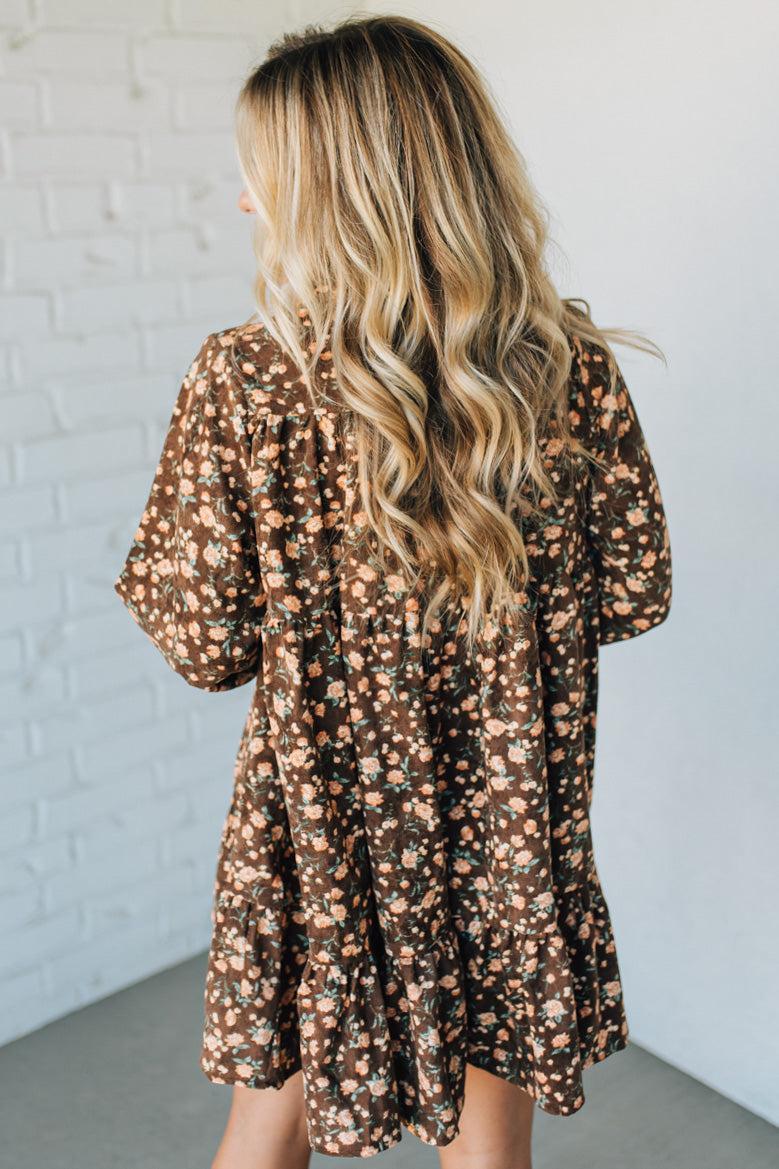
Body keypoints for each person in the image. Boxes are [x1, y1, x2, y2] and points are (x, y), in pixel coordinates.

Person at [113, 14, 672, 1169]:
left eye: (260, 175)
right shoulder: (566, 365)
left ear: (332, 192)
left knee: (264, 1128)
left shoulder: (246, 377)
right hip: (507, 825)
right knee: (489, 1145)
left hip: (320, 835)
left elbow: (204, 643)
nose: (243, 201)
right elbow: (632, 591)